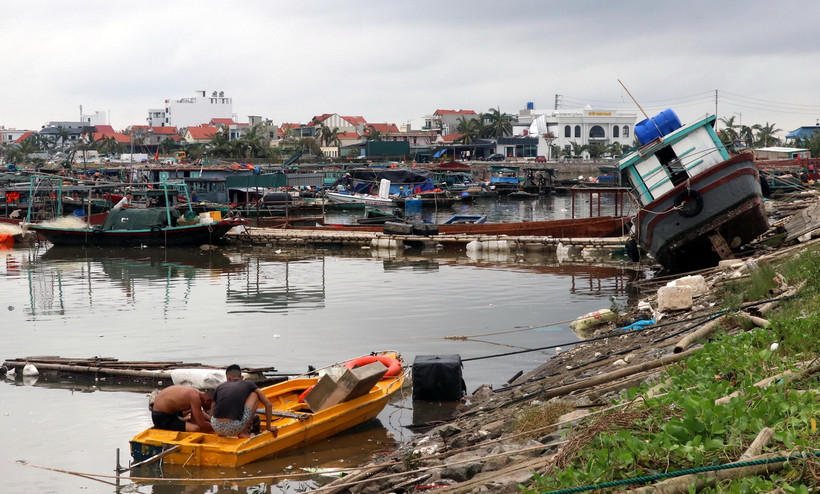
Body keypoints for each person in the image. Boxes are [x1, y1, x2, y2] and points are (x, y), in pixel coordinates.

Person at [210, 364, 277, 438]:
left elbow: (212, 409)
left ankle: (222, 434)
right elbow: (268, 405)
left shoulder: (220, 387)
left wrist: (214, 425)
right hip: (234, 427)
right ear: (242, 378)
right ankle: (244, 432)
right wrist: (269, 427)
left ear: (228, 378)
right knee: (254, 395)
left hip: (216, 427)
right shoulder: (249, 384)